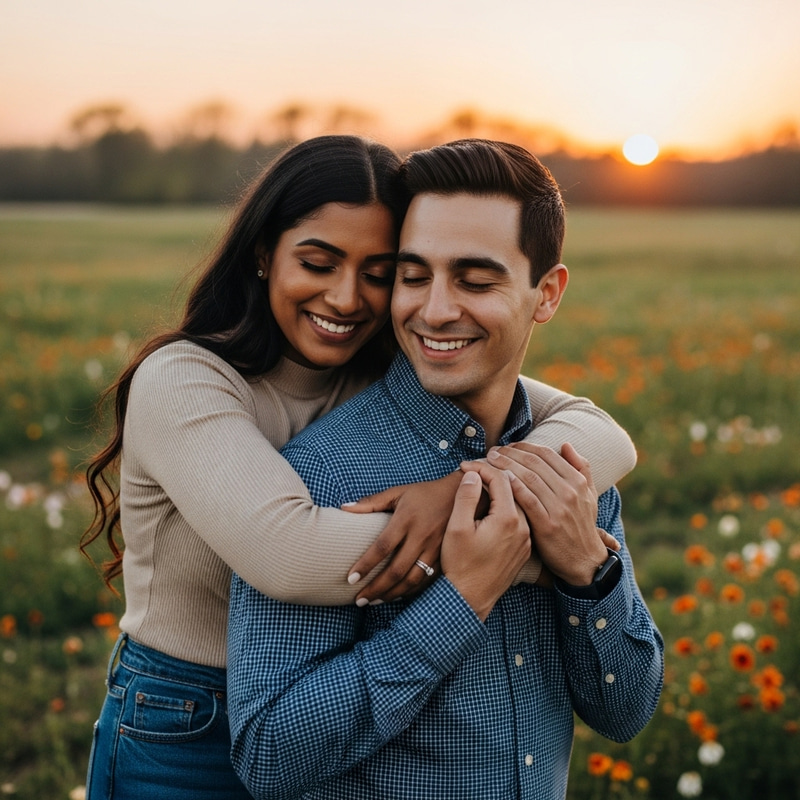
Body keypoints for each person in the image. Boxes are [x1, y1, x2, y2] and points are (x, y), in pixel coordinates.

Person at [80, 135, 635, 799]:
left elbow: (600, 433)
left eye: (378, 272)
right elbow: (289, 555)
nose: (346, 299)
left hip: (321, 708)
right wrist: (518, 549)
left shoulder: (385, 368)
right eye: (317, 263)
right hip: (187, 723)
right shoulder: (188, 379)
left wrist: (464, 488)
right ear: (264, 254)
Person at [228, 139, 664, 800]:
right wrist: (458, 604)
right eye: (413, 275)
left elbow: (625, 714)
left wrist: (588, 572)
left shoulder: (565, 468)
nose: (433, 310)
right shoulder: (322, 477)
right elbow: (268, 753)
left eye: (475, 280)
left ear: (546, 294)